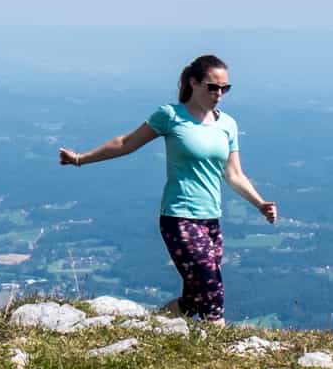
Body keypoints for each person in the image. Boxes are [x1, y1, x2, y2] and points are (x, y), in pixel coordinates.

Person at [58, 54, 276, 325]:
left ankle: (155, 323)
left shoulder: (227, 125)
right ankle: (218, 340)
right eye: (212, 87)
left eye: (225, 88)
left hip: (211, 218)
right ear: (194, 83)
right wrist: (80, 159)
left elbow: (233, 174)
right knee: (212, 284)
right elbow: (126, 143)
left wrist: (260, 203)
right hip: (179, 216)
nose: (219, 94)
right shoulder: (170, 116)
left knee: (196, 296)